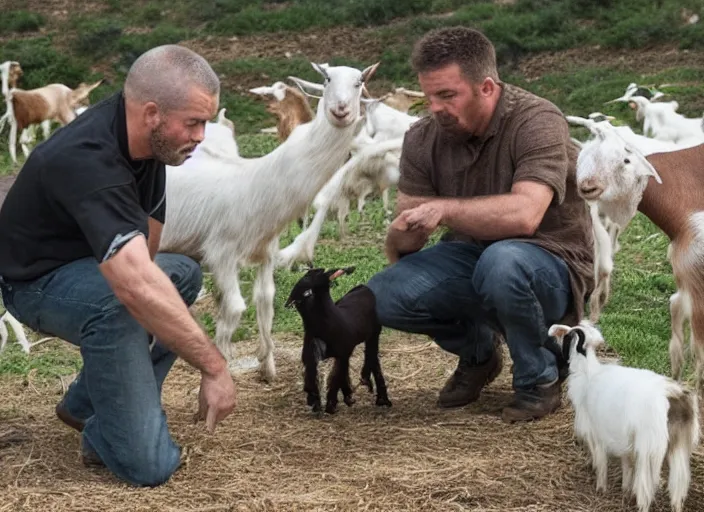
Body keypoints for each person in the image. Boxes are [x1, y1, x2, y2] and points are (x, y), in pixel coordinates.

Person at [0, 44, 237, 486]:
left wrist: (138, 312)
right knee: (152, 468)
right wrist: (214, 367)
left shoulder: (152, 145)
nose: (202, 135)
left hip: (91, 270)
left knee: (179, 274)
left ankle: (89, 407)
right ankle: (121, 434)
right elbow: (132, 284)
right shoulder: (88, 158)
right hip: (33, 283)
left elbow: (147, 251)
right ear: (152, 113)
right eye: (195, 122)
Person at [366, 27, 594, 423]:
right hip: (473, 257)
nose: (435, 108)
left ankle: (540, 375)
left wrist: (444, 210)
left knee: (502, 262)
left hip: (551, 262)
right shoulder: (422, 137)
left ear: (486, 87)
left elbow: (526, 215)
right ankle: (479, 353)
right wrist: (403, 236)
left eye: (447, 95)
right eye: (429, 96)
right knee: (383, 294)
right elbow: (407, 232)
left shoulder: (537, 120)